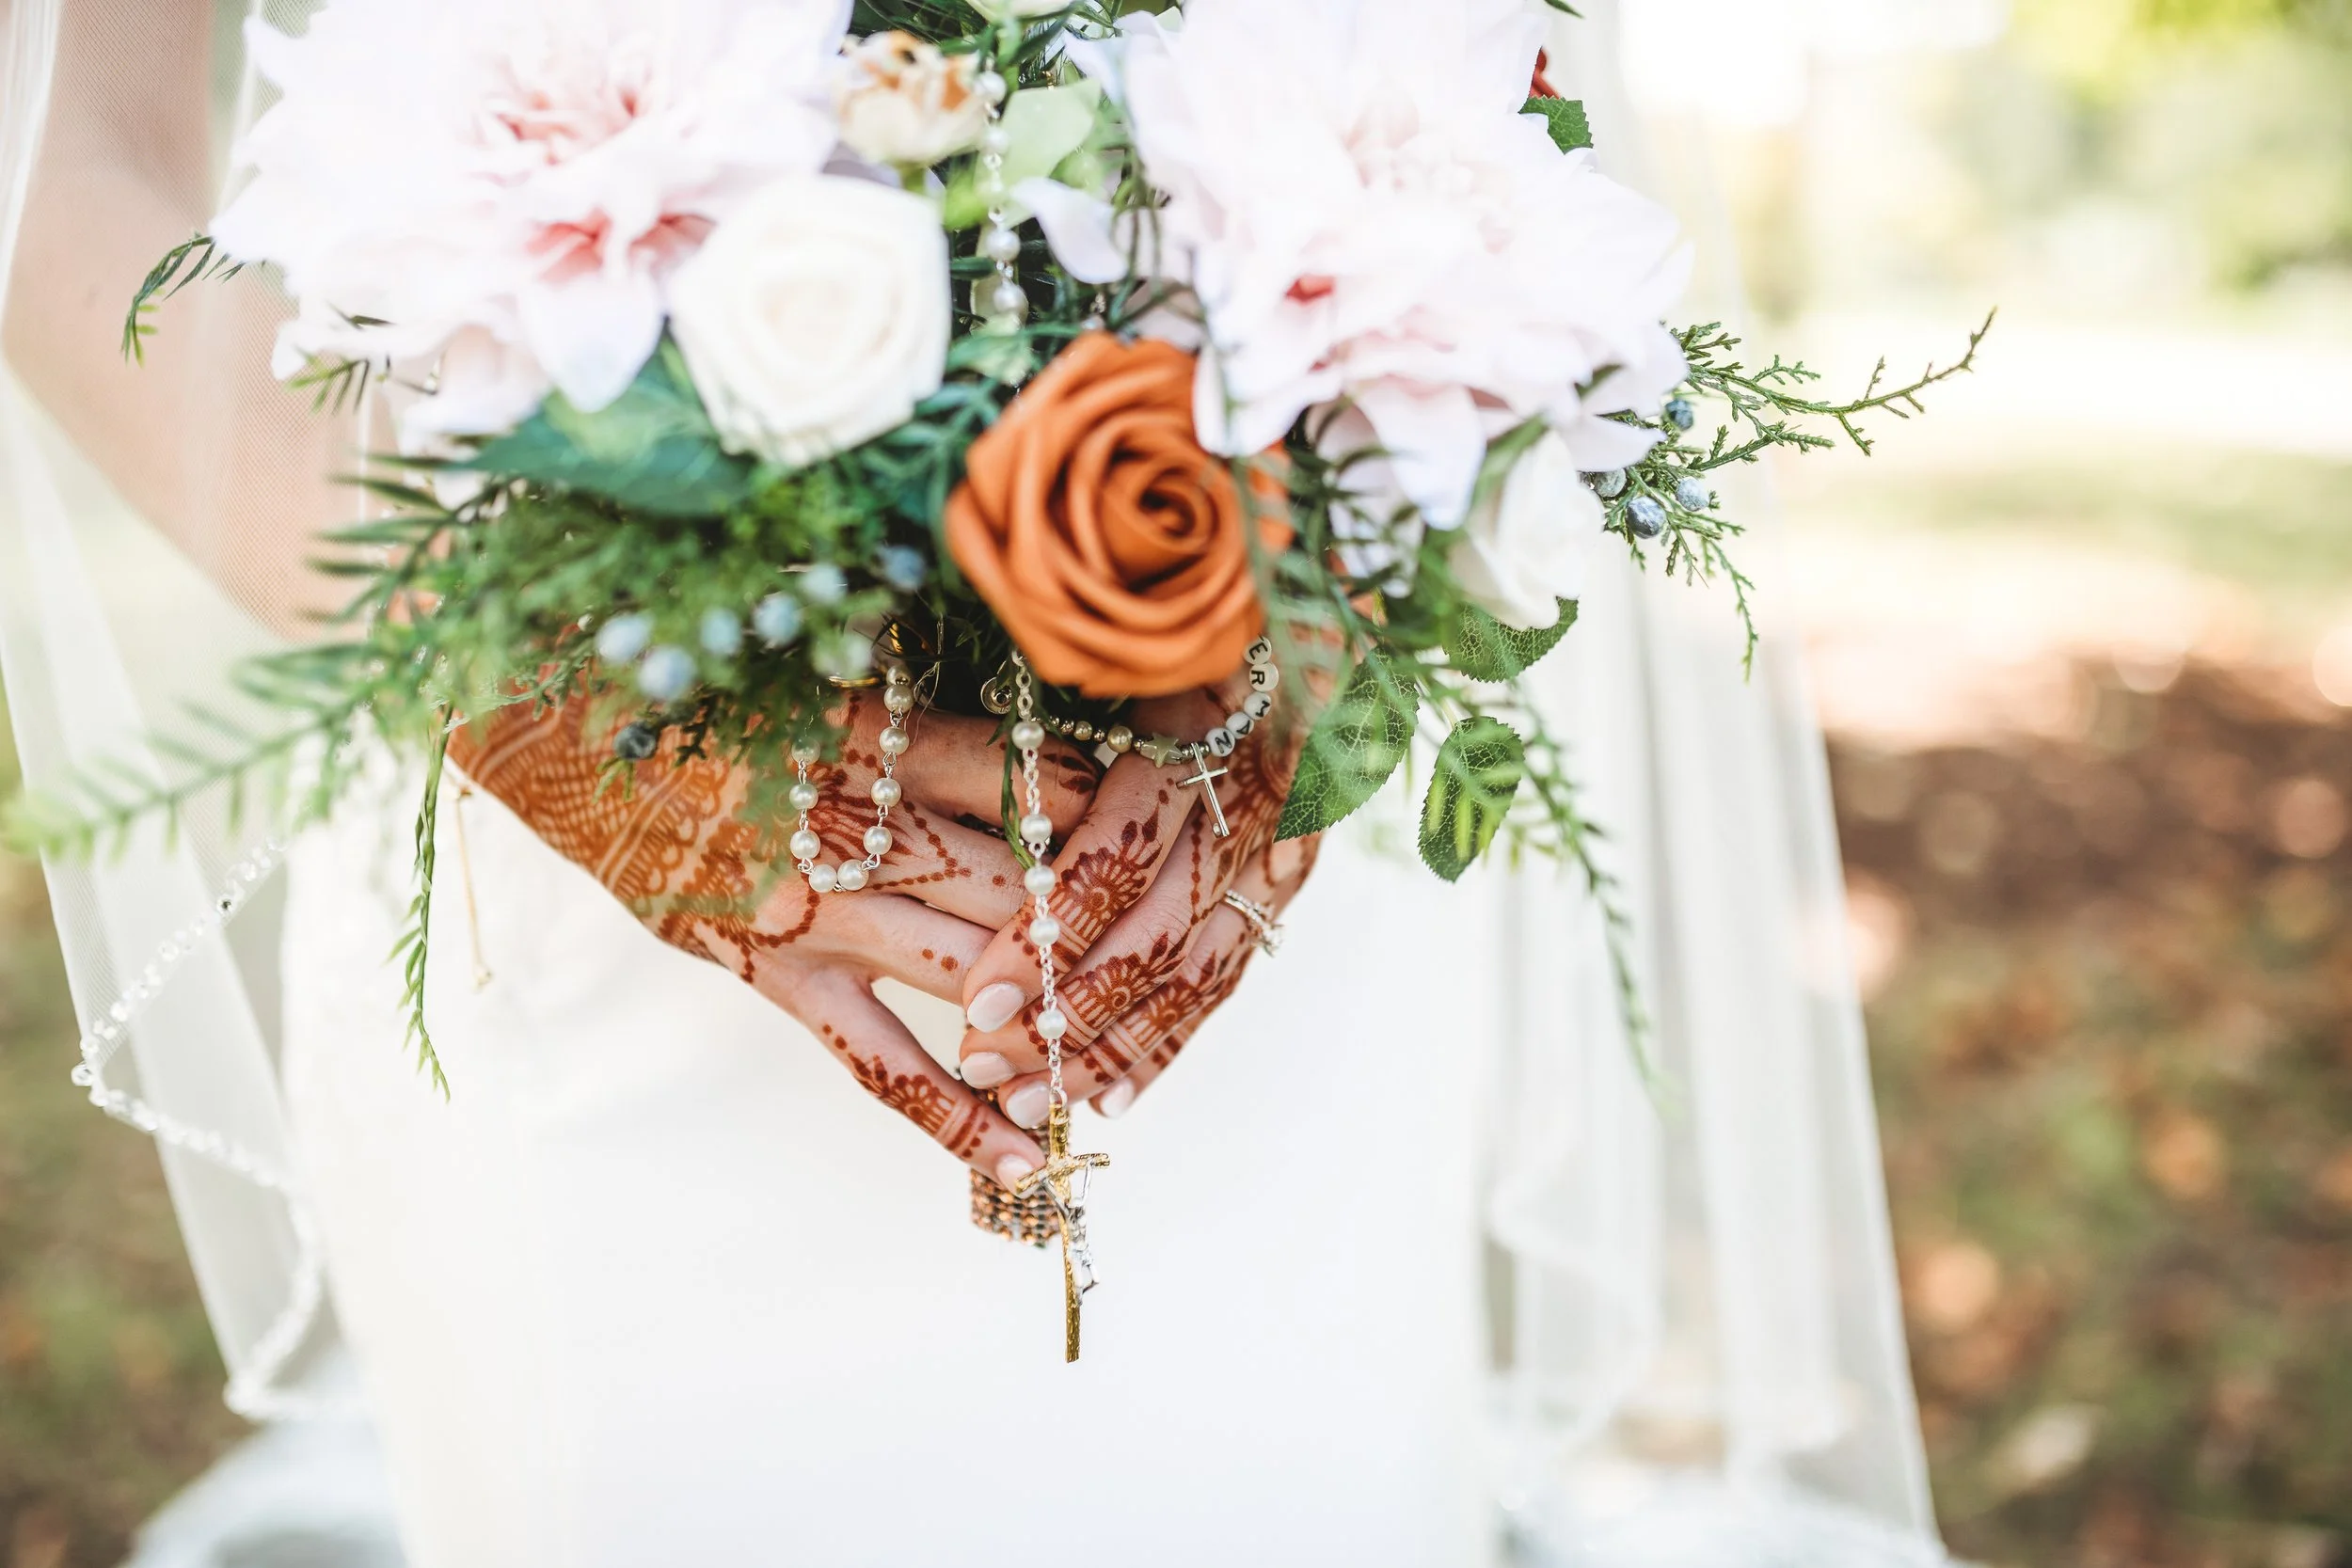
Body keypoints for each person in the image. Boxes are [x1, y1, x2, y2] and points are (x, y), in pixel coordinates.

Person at [0, 2, 1951, 1564]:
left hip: (1245, 872)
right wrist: (510, 676)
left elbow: (1512, 95)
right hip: (577, 923)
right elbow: (68, 149)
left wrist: (1325, 632)